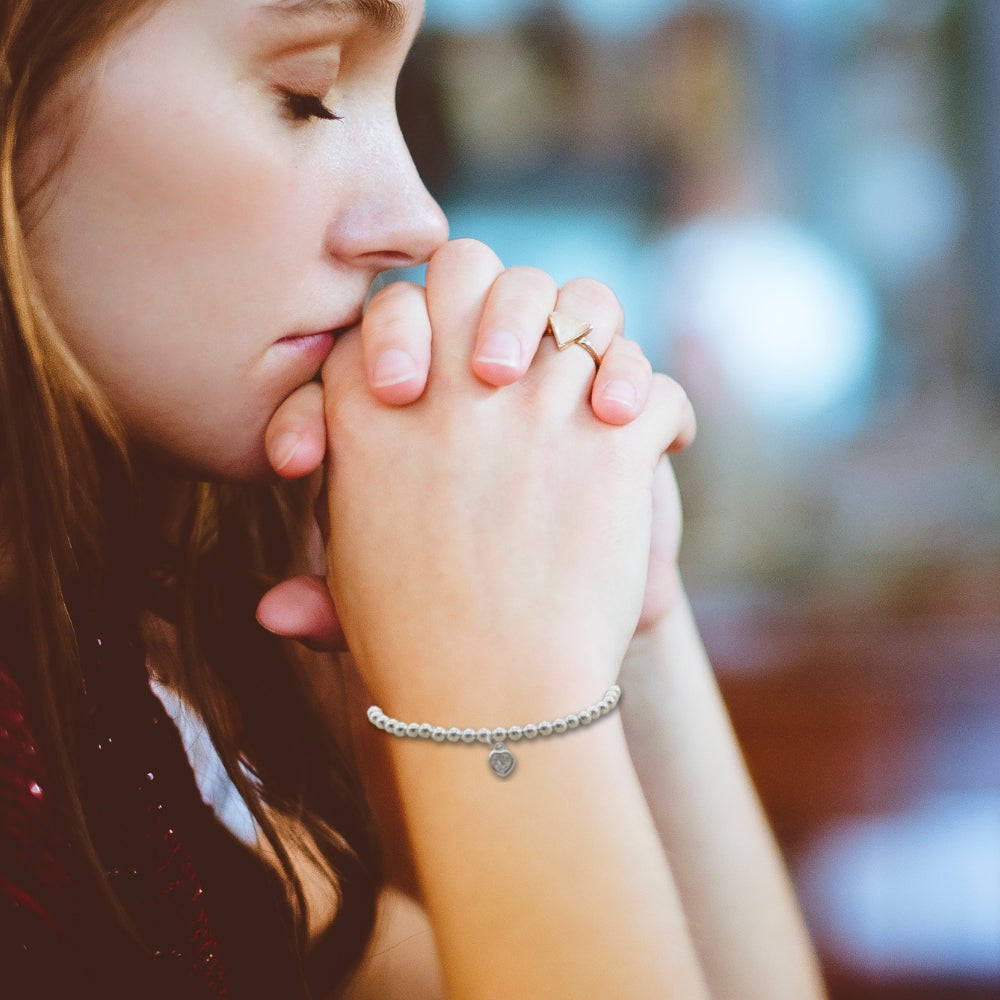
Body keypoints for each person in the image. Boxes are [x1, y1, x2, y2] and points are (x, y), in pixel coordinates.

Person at [0, 0, 826, 997]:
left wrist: (614, 597)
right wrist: (501, 679)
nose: (418, 220)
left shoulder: (111, 723)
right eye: (303, 93)